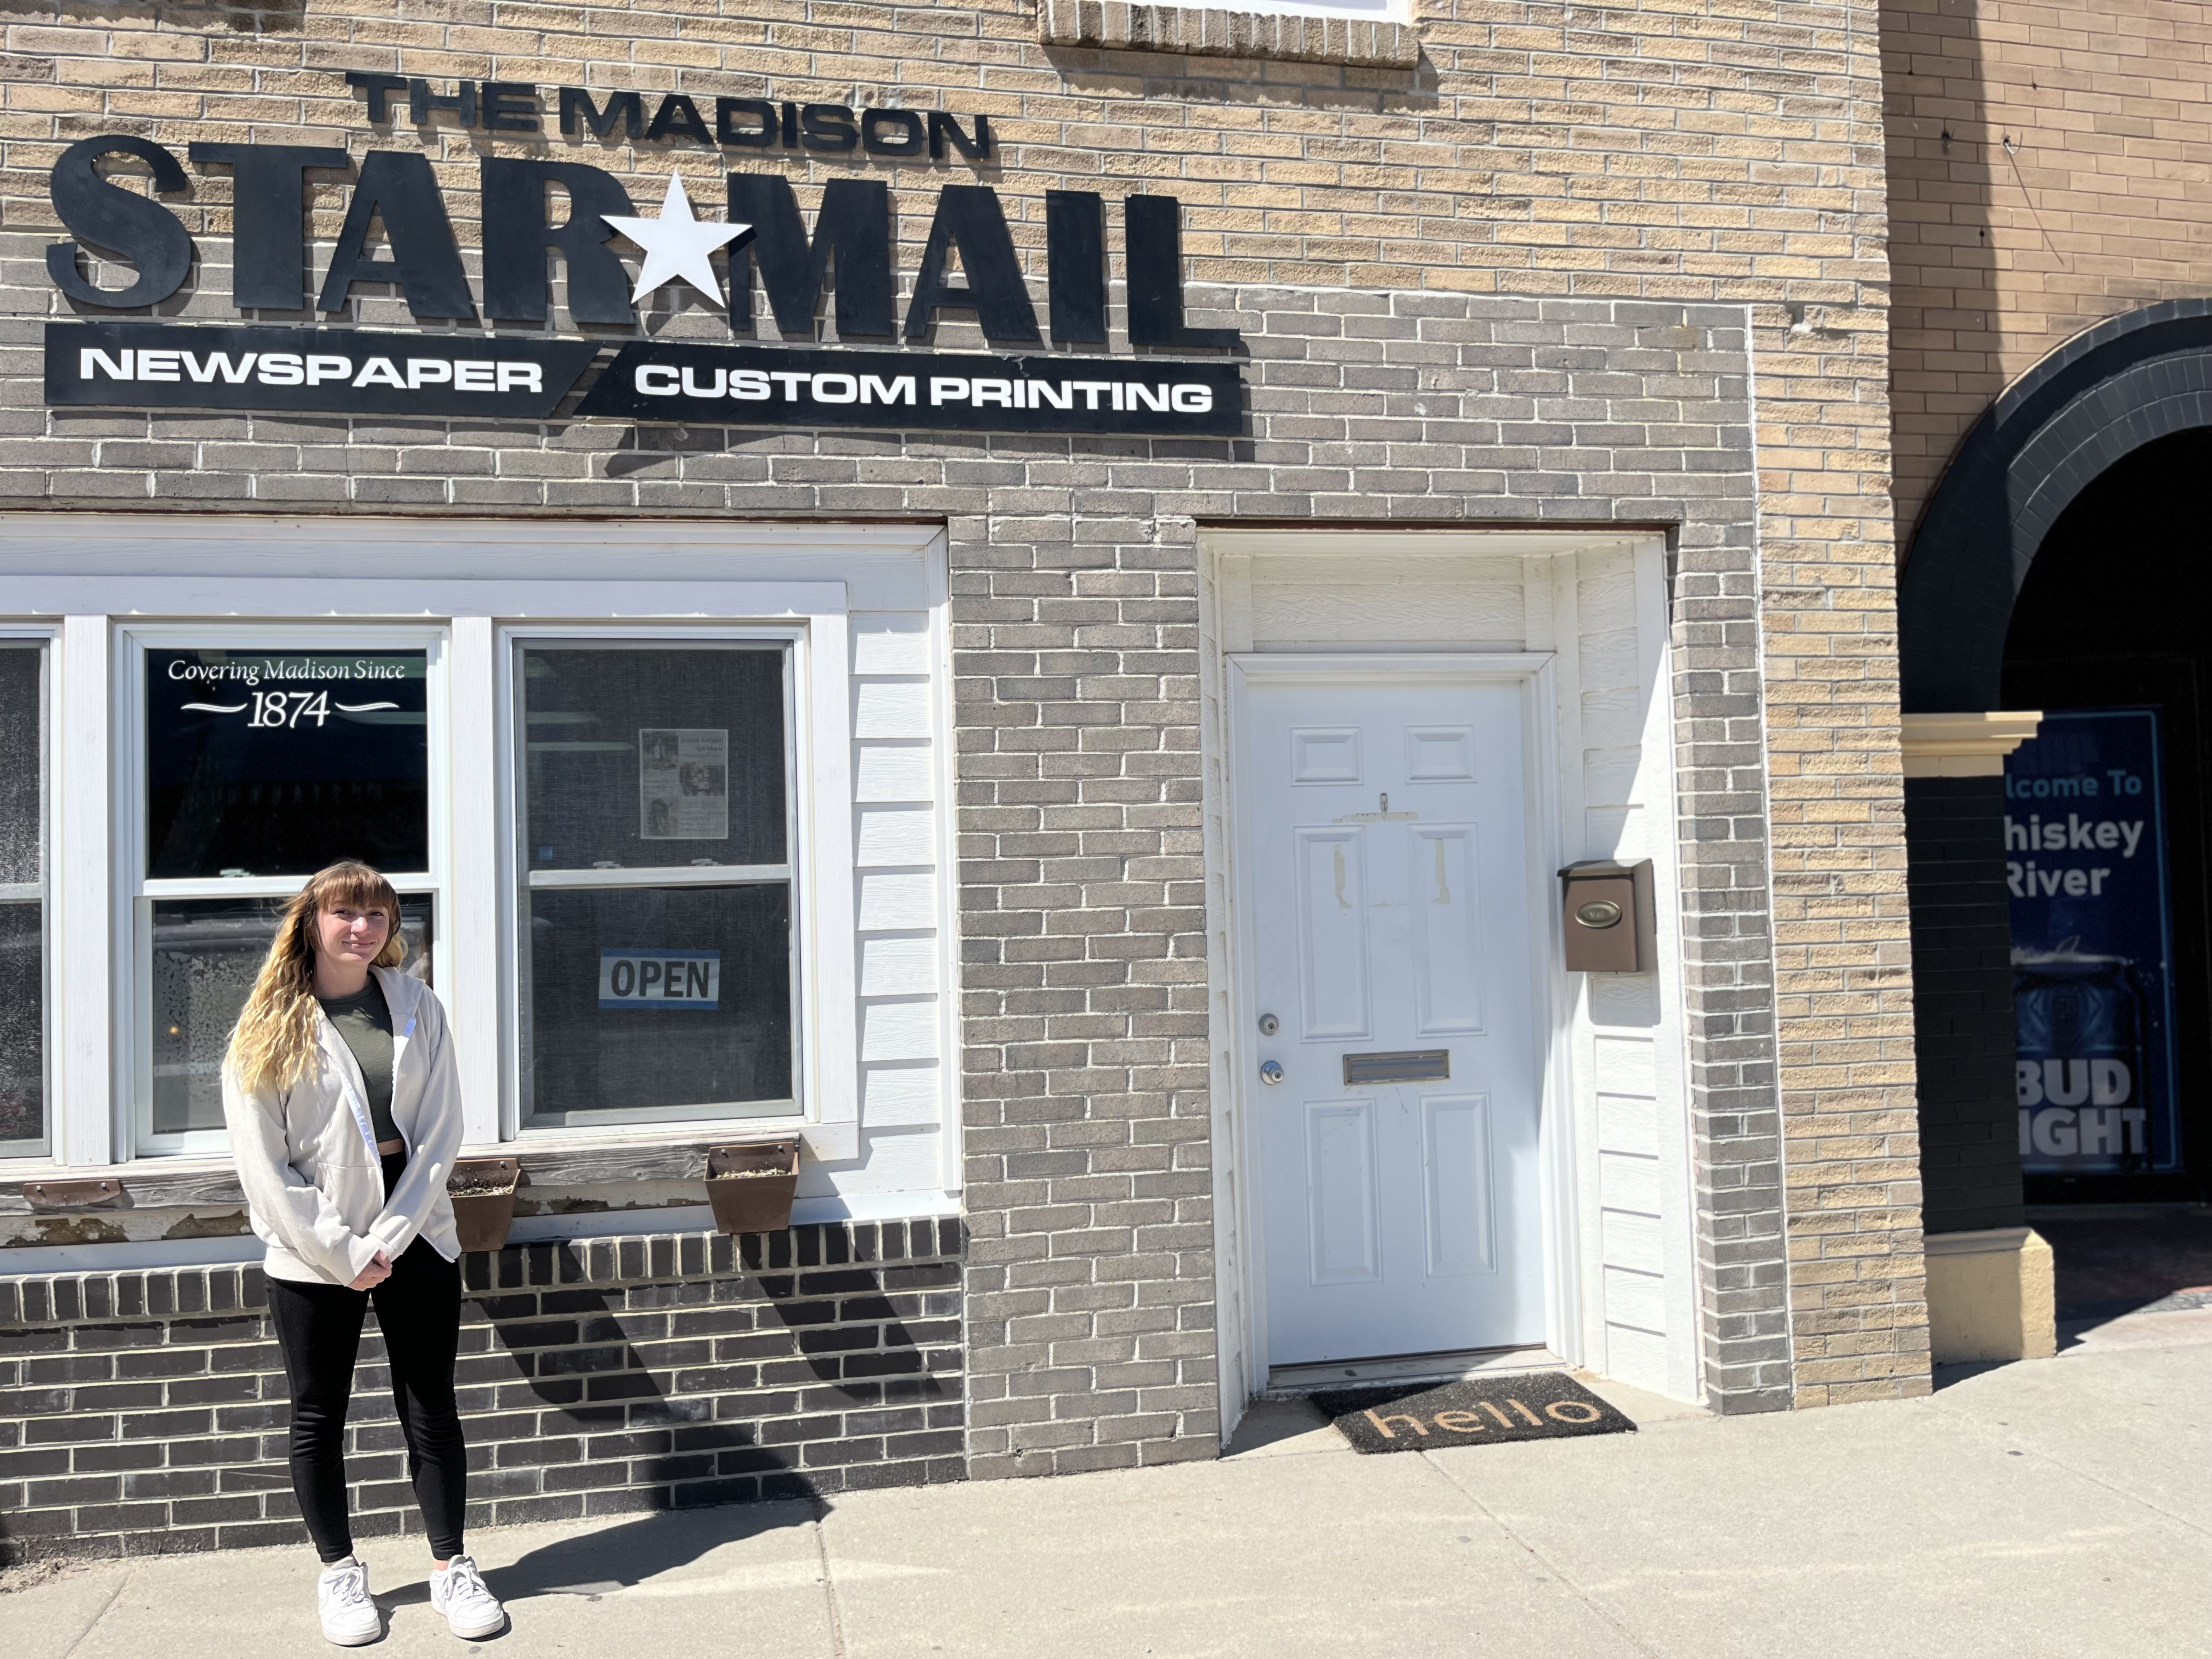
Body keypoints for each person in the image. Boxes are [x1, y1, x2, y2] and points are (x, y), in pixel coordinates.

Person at [223, 861, 506, 1646]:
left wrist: (389, 1236)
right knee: (319, 1412)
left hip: (415, 1223)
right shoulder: (268, 1018)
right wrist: (341, 1249)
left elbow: (442, 1131)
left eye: (378, 915)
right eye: (346, 913)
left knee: (431, 1403)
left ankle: (452, 1567)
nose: (364, 928)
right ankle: (340, 1573)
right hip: (312, 1239)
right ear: (311, 921)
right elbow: (260, 1160)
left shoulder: (417, 1004)